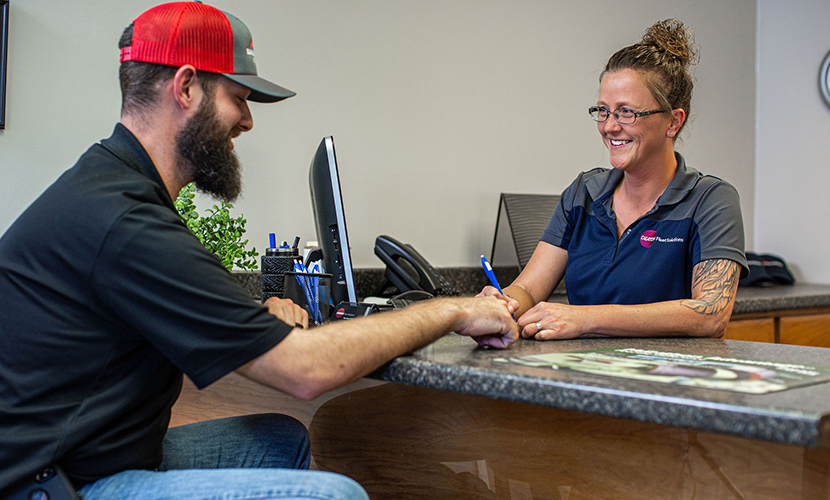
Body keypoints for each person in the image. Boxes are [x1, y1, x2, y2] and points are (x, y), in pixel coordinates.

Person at [0, 3, 517, 500]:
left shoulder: (112, 187)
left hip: (82, 461)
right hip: (56, 486)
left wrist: (256, 314)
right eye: (238, 98)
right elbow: (305, 371)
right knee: (333, 494)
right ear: (185, 88)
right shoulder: (123, 219)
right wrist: (452, 308)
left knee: (279, 439)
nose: (247, 121)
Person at [479, 19, 747, 341]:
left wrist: (585, 318)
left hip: (663, 380)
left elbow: (711, 313)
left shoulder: (711, 200)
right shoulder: (584, 194)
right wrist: (502, 303)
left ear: (673, 122)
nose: (609, 126)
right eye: (603, 111)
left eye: (626, 112)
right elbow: (527, 288)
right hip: (583, 376)